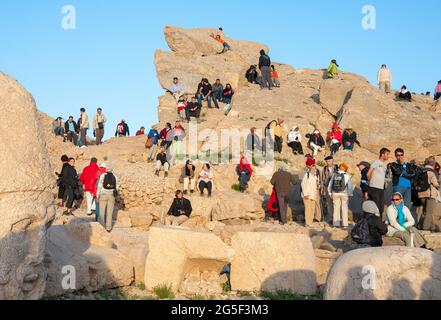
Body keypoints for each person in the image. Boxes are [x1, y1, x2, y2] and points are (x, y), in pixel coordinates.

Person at [417, 157, 440, 231]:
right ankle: (426, 228)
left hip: (421, 194)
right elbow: (435, 184)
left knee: (425, 211)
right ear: (433, 164)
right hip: (430, 194)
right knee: (429, 212)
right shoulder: (432, 172)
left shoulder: (420, 171)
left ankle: (429, 226)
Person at [328, 163, 354, 229]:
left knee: (336, 209)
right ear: (345, 169)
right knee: (344, 209)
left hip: (335, 193)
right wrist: (350, 194)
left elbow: (330, 184)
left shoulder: (334, 175)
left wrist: (330, 193)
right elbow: (350, 187)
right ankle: (345, 225)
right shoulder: (347, 176)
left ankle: (336, 224)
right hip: (344, 194)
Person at [367, 148, 391, 215]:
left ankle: (378, 224)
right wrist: (371, 183)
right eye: (387, 154)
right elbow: (368, 174)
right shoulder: (376, 162)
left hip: (381, 189)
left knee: (381, 208)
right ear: (382, 154)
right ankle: (372, 224)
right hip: (374, 188)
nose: (388, 156)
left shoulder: (385, 165)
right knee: (375, 208)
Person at [97, 163, 119, 232]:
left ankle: (101, 227)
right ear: (112, 169)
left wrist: (98, 195)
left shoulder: (103, 175)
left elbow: (99, 186)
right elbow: (117, 187)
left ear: (106, 169)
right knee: (109, 212)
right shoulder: (115, 176)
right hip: (111, 195)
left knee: (101, 212)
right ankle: (108, 228)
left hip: (103, 194)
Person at [321, 156, 338, 223]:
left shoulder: (337, 168)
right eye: (327, 161)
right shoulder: (324, 169)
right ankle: (331, 218)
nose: (328, 162)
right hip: (327, 188)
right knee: (329, 203)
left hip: (335, 188)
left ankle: (337, 218)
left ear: (332, 161)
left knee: (336, 203)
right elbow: (322, 179)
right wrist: (322, 188)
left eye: (329, 161)